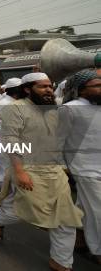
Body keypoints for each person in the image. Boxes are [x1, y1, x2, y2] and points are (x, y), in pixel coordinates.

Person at [0, 72, 83, 271]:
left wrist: (65, 165)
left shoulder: (55, 109)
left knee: (65, 218)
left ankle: (61, 262)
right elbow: (11, 141)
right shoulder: (14, 109)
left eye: (50, 86)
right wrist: (20, 172)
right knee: (20, 213)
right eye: (42, 87)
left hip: (55, 171)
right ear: (27, 89)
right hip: (27, 168)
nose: (49, 90)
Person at [60, 69, 101, 265]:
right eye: (97, 86)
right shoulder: (70, 108)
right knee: (98, 210)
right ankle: (98, 250)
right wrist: (61, 165)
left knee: (85, 207)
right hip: (85, 168)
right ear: (81, 90)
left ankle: (80, 238)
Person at [0, 78, 22, 201]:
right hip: (5, 144)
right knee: (4, 174)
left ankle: (4, 196)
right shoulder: (4, 103)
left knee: (13, 173)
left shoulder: (18, 102)